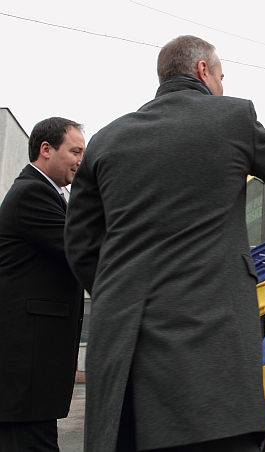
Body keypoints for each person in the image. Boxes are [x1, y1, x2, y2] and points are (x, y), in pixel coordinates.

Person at [64, 35, 265, 452]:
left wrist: (116, 292)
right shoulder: (232, 117)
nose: (222, 85)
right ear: (202, 71)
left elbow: (80, 243)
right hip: (210, 347)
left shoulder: (106, 140)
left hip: (124, 352)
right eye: (220, 75)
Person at [0, 117, 86, 451]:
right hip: (26, 369)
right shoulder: (32, 193)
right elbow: (81, 247)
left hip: (31, 372)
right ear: (46, 150)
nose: (81, 160)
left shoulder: (46, 193)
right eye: (75, 151)